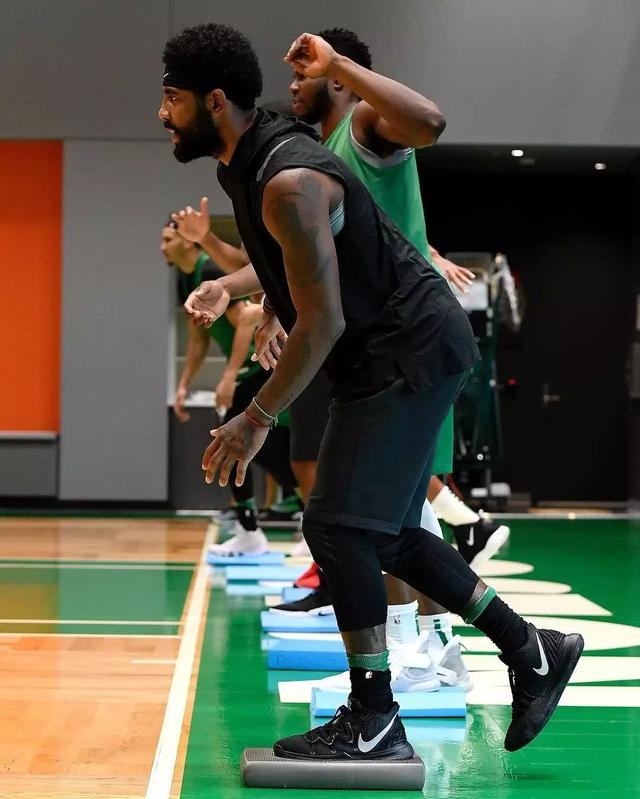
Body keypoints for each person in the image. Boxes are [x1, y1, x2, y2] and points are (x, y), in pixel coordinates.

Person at [159, 22, 583, 760]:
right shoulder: (249, 165)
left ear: (215, 101)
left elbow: (324, 319)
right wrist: (243, 293)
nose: (162, 114)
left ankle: (374, 716)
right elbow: (301, 272)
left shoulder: (288, 178)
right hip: (391, 350)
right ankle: (532, 649)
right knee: (381, 531)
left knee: (337, 526)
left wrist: (256, 417)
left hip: (408, 346)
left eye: (172, 99)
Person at [161, 219, 298, 555]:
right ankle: (261, 520)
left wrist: (229, 375)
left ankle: (262, 525)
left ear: (188, 241)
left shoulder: (210, 270)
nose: (162, 247)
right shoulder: (187, 280)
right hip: (248, 370)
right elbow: (198, 338)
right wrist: (184, 385)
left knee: (240, 440)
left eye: (167, 239)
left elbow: (248, 319)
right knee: (258, 446)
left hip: (260, 364)